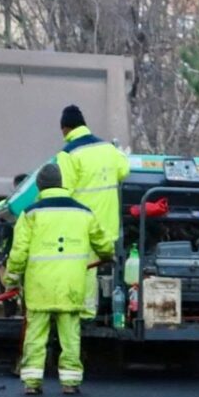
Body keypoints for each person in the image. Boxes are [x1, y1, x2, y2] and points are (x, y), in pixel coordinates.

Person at [3, 164, 113, 395]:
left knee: (36, 334)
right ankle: (70, 382)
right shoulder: (84, 212)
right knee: (70, 334)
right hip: (71, 285)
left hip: (39, 286)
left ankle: (32, 383)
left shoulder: (30, 213)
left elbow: (19, 251)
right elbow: (102, 243)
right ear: (62, 183)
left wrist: (11, 280)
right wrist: (107, 256)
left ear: (40, 187)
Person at [55, 104, 130, 319]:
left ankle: (86, 315)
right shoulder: (108, 149)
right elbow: (124, 170)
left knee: (86, 270)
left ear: (64, 129)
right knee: (110, 271)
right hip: (108, 225)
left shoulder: (67, 154)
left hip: (82, 226)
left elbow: (64, 192)